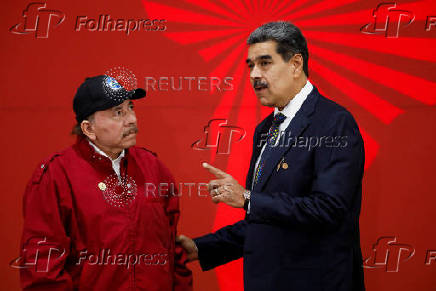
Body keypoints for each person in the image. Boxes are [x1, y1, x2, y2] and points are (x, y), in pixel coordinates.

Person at [177, 21, 366, 291]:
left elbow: (329, 210)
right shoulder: (265, 130)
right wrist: (201, 247)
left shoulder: (334, 123)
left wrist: (246, 198)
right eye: (250, 65)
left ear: (296, 64)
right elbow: (265, 220)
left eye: (265, 63)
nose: (254, 74)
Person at [18, 75, 192, 290]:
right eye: (118, 113)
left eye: (131, 108)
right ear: (88, 128)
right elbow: (42, 265)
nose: (132, 120)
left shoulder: (155, 169)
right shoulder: (56, 175)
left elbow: (173, 252)